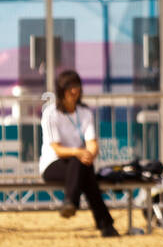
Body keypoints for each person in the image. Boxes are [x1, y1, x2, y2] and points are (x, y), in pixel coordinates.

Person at [39, 69, 119, 237]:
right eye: (70, 87)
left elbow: (92, 143)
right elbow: (58, 149)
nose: (74, 91)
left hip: (78, 165)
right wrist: (80, 152)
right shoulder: (50, 113)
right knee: (82, 166)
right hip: (52, 165)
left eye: (77, 87)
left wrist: (90, 154)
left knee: (82, 167)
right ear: (61, 90)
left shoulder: (85, 113)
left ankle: (71, 203)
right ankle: (105, 224)